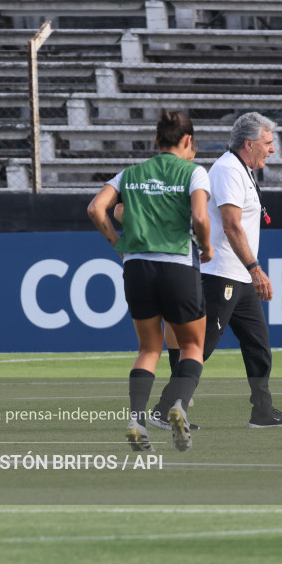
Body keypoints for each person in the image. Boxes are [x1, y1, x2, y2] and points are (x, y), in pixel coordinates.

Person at [148, 112, 282, 430]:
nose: (273, 149)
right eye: (268, 143)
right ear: (249, 143)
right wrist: (256, 268)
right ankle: (164, 409)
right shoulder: (229, 170)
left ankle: (262, 411)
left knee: (258, 344)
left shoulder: (241, 168)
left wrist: (250, 273)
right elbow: (231, 225)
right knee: (200, 347)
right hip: (222, 275)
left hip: (238, 276)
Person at [88, 109, 213, 452]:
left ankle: (136, 420)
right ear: (188, 141)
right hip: (177, 265)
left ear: (156, 141)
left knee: (149, 348)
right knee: (192, 346)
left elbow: (96, 208)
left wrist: (119, 245)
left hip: (137, 267)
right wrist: (206, 245)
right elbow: (201, 216)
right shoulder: (194, 172)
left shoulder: (131, 173)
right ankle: (177, 406)